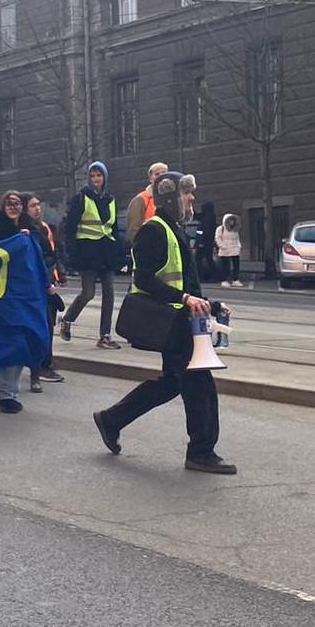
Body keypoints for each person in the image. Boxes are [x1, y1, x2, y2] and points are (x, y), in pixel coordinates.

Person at [92, 171, 236, 475]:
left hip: (182, 321)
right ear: (171, 197)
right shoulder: (154, 231)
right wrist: (185, 299)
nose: (192, 198)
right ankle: (200, 452)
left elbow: (187, 281)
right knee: (200, 386)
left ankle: (111, 420)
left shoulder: (174, 229)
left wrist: (212, 304)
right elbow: (144, 279)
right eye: (186, 193)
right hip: (173, 323)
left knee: (172, 383)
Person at [60, 161, 123, 350]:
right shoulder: (81, 198)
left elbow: (113, 228)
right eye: (93, 175)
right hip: (87, 253)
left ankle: (105, 335)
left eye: (99, 175)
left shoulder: (110, 199)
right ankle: (67, 319)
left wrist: (119, 253)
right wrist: (71, 254)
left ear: (105, 178)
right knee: (88, 293)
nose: (96, 179)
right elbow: (70, 228)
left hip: (106, 252)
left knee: (109, 293)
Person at [0, 192, 34, 413]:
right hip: (3, 295)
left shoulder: (30, 227)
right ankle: (3, 393)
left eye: (17, 204)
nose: (13, 207)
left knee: (21, 341)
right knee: (8, 341)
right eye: (9, 204)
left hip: (25, 293)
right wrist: (16, 239)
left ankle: (10, 390)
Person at [21, 194, 66, 391]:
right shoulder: (26, 231)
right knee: (40, 327)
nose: (37, 208)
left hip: (48, 282)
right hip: (35, 286)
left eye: (38, 204)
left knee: (48, 324)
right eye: (32, 206)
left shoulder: (46, 228)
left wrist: (59, 273)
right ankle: (39, 368)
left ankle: (44, 364)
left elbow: (53, 253)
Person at [126, 161, 169, 243]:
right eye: (157, 174)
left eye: (164, 173)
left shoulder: (171, 199)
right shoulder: (140, 200)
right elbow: (134, 230)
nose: (161, 177)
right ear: (150, 178)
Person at [215, 212, 243, 289]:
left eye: (233, 221)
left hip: (234, 250)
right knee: (225, 267)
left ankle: (235, 280)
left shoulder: (235, 230)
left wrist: (238, 246)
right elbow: (218, 238)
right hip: (225, 251)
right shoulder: (221, 228)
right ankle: (224, 280)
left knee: (236, 266)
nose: (232, 222)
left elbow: (237, 239)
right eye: (230, 220)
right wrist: (223, 246)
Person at [195, 202, 218, 282]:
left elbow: (206, 231)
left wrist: (201, 242)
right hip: (207, 243)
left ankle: (201, 277)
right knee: (208, 259)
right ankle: (215, 276)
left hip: (204, 243)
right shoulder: (209, 216)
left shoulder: (208, 218)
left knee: (198, 260)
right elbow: (197, 216)